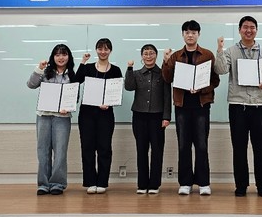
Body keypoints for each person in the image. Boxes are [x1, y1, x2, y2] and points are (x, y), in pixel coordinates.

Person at [215, 16, 262, 197]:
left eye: (252, 27)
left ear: (256, 30)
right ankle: (241, 185)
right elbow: (220, 70)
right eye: (245, 27)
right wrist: (219, 50)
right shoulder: (230, 51)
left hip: (259, 105)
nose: (248, 30)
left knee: (261, 147)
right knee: (239, 147)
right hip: (238, 105)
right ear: (239, 30)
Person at [162, 20, 220, 196]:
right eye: (187, 32)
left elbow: (215, 80)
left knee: (201, 145)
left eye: (193, 32)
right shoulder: (175, 56)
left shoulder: (207, 55)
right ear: (183, 35)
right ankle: (185, 182)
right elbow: (167, 78)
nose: (190, 35)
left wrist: (201, 89)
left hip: (201, 105)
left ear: (198, 35)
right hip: (182, 105)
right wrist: (165, 61)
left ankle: (203, 182)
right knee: (183, 145)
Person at [26, 43, 78, 196]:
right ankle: (43, 184)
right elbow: (31, 84)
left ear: (69, 57)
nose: (61, 57)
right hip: (44, 116)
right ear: (53, 57)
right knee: (43, 150)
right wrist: (39, 68)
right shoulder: (45, 72)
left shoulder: (72, 75)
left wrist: (68, 108)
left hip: (62, 117)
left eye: (64, 54)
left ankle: (57, 183)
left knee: (60, 151)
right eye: (57, 54)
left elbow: (75, 98)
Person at [76, 38, 123, 194]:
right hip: (87, 114)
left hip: (105, 114)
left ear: (110, 51)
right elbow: (76, 80)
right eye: (100, 49)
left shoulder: (116, 70)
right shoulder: (88, 67)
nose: (103, 52)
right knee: (87, 148)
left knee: (104, 148)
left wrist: (109, 103)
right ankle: (90, 182)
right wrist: (82, 62)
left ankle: (102, 182)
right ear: (96, 50)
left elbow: (117, 92)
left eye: (106, 49)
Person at [125, 44, 171, 195]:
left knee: (157, 151)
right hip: (139, 116)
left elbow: (167, 96)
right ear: (142, 56)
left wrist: (166, 116)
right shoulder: (137, 73)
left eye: (151, 53)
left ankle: (154, 184)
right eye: (145, 53)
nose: (148, 56)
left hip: (157, 117)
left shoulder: (163, 74)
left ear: (156, 55)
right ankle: (142, 184)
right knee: (141, 150)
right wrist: (129, 68)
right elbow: (129, 87)